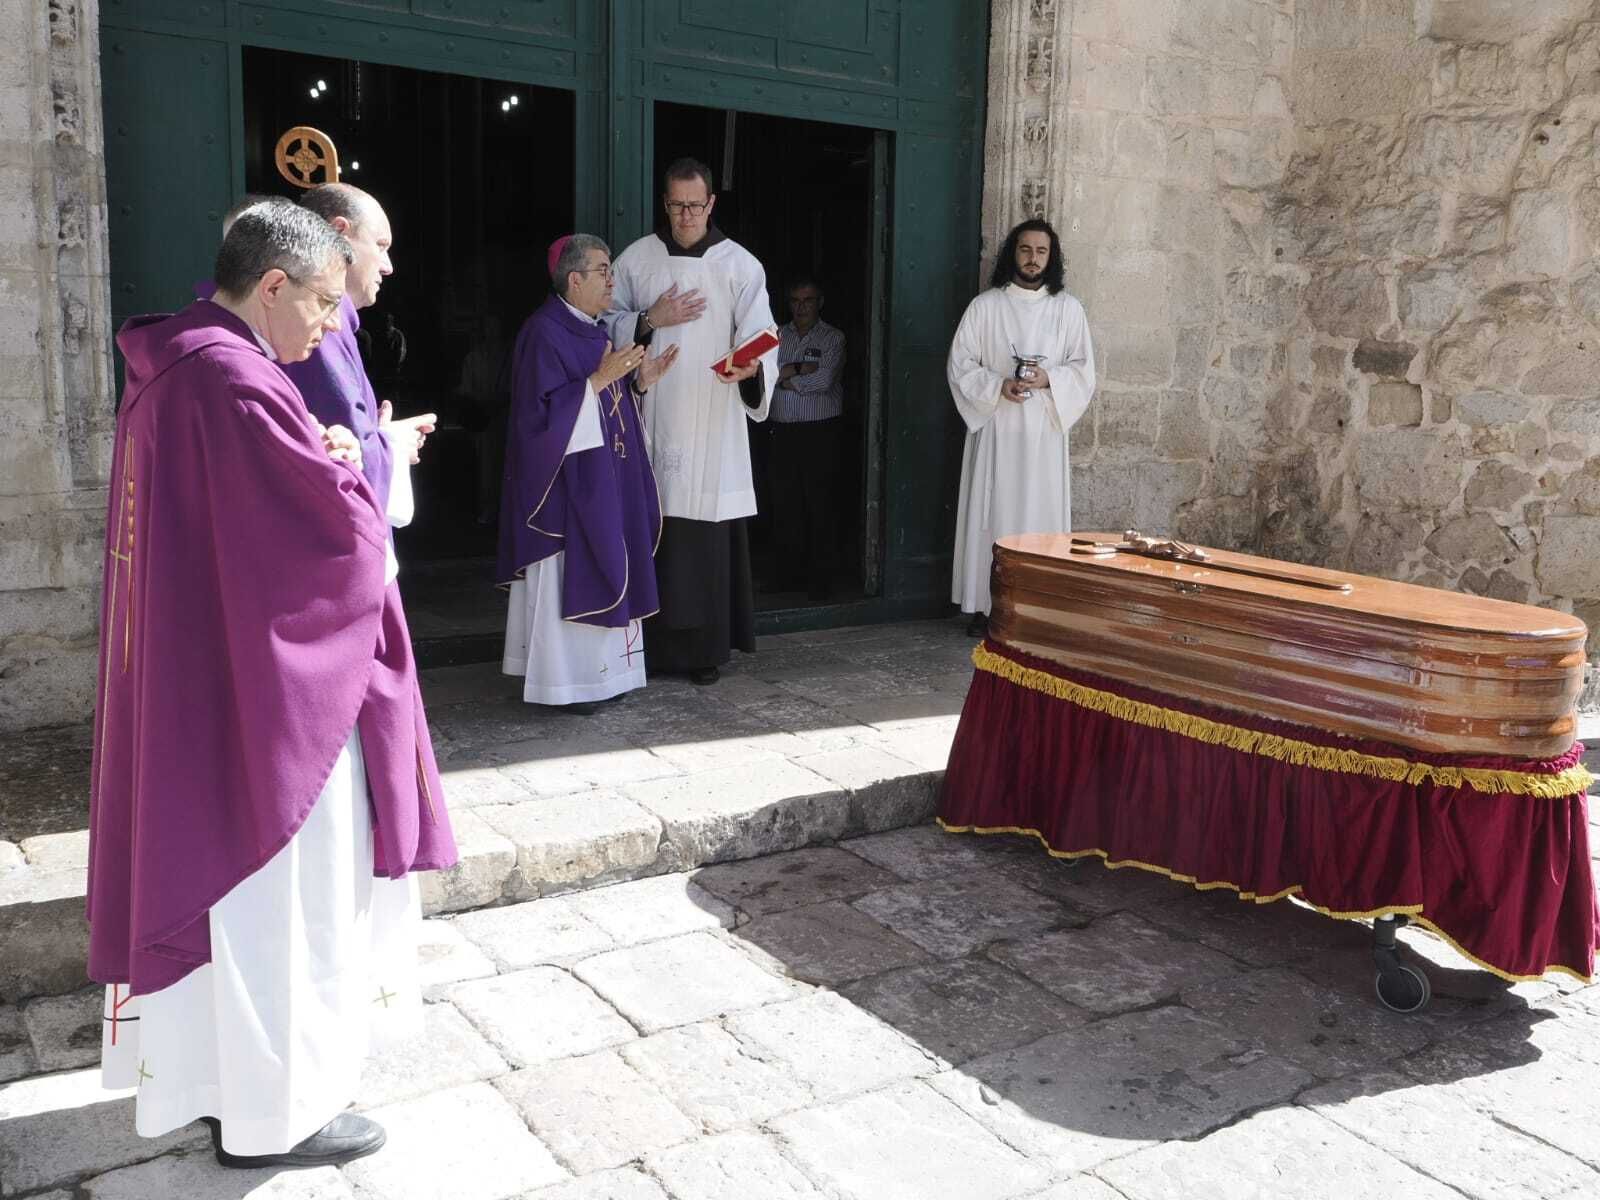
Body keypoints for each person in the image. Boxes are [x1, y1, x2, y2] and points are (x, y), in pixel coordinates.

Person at [87, 200, 458, 1170]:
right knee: (281, 897)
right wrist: (349, 471)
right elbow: (324, 545)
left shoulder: (179, 364)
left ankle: (226, 1091)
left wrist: (327, 458)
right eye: (325, 306)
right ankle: (277, 1116)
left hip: (204, 678)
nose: (333, 327)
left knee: (235, 908)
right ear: (275, 286)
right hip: (267, 702)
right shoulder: (232, 381)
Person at [606, 157, 778, 685]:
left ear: (711, 204)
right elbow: (605, 324)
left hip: (713, 418)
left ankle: (703, 652)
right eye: (677, 205)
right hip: (651, 413)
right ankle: (647, 649)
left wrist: (751, 369)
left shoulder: (740, 266)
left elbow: (763, 337)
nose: (685, 215)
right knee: (652, 527)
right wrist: (649, 319)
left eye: (695, 205)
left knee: (703, 540)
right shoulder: (637, 260)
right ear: (665, 203)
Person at [498, 234, 678, 714]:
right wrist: (601, 378)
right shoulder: (543, 332)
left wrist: (638, 381)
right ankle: (569, 685)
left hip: (601, 479)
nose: (611, 280)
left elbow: (605, 401)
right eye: (603, 271)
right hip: (564, 489)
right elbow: (535, 422)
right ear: (574, 279)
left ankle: (605, 678)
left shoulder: (592, 329)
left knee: (610, 561)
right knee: (572, 573)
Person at [947, 218, 1096, 639]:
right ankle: (984, 606)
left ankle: (1037, 607)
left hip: (1044, 435)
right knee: (990, 514)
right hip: (996, 428)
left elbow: (1084, 371)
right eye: (1026, 250)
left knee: (1038, 515)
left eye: (1041, 251)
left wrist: (1048, 379)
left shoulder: (1068, 309)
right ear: (1013, 252)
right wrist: (999, 385)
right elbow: (960, 366)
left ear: (1052, 258)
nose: (1033, 259)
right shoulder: (986, 306)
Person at [285, 184, 435, 553]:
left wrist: (382, 436)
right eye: (381, 246)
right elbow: (341, 452)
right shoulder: (318, 327)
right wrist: (392, 446)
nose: (389, 265)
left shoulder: (335, 322)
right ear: (339, 233)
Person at [770, 275, 846, 601]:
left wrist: (784, 376)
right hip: (781, 430)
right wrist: (801, 368)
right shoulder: (775, 335)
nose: (802, 307)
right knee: (783, 503)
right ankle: (786, 576)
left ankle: (821, 580)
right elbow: (763, 373)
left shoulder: (833, 337)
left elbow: (824, 381)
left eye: (808, 300)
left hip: (820, 431)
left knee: (819, 504)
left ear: (820, 303)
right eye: (796, 301)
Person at [456, 313, 513, 525]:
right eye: (488, 327)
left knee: (507, 463)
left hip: (507, 417)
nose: (492, 332)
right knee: (487, 467)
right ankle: (489, 509)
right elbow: (466, 389)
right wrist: (483, 403)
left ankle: (506, 510)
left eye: (495, 327)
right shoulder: (473, 358)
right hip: (486, 421)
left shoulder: (512, 355)